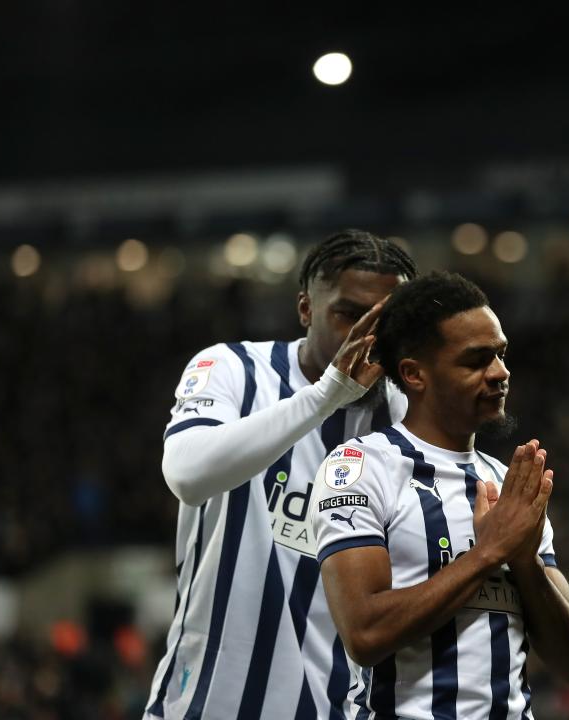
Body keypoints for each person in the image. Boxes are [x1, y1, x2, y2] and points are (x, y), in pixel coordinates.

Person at [144, 230, 417, 720]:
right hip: (207, 705)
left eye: (388, 322)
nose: (368, 338)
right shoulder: (233, 368)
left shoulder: (405, 422)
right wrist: (323, 397)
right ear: (306, 309)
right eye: (350, 314)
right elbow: (186, 473)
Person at [312, 271, 569, 719]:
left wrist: (524, 561)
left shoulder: (507, 484)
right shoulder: (360, 469)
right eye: (476, 360)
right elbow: (364, 633)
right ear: (414, 374)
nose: (501, 373)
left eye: (501, 355)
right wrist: (487, 555)